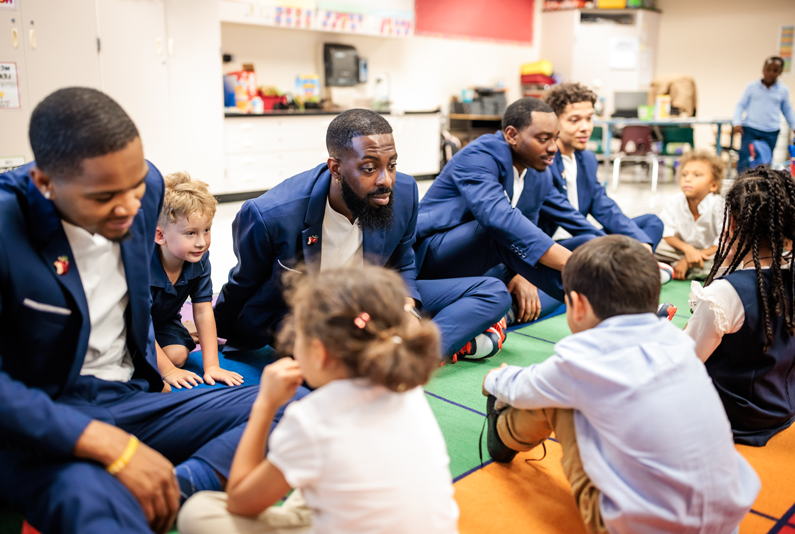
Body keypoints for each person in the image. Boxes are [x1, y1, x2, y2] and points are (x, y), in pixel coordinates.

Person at [0, 88, 306, 534]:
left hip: (130, 399)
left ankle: (177, 486)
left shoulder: (150, 190)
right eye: (104, 198)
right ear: (46, 185)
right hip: (43, 421)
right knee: (89, 505)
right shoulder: (2, 226)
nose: (128, 210)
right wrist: (107, 446)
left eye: (135, 189)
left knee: (299, 406)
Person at [481, 235, 760, 534]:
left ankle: (503, 436)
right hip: (727, 524)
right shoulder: (678, 343)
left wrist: (495, 379)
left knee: (556, 399)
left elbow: (527, 385)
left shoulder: (583, 360)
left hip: (639, 528)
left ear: (577, 305)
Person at [214, 109, 511, 364]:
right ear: (336, 169)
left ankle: (420, 354)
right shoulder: (271, 215)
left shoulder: (404, 193)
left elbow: (403, 263)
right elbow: (244, 283)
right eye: (369, 168)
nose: (386, 180)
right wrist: (212, 326)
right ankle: (421, 347)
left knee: (494, 292)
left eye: (391, 165)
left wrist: (407, 306)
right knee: (333, 357)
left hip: (368, 297)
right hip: (304, 314)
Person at [178, 266, 459, 534]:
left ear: (319, 352)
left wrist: (264, 405)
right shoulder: (406, 389)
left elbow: (240, 502)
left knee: (198, 512)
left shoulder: (312, 417)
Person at [415, 97, 603, 326]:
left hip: (483, 264)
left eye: (555, 139)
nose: (553, 148)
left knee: (583, 245)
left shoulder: (540, 173)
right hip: (433, 259)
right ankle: (603, 308)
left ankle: (505, 315)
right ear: (512, 135)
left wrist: (524, 276)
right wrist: (574, 265)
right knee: (499, 234)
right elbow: (499, 220)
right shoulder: (478, 155)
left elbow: (528, 228)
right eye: (543, 139)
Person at [686, 167, 795, 446]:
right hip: (782, 406)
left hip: (730, 415)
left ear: (732, 223)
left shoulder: (727, 292)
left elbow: (685, 361)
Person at [540, 83, 664, 251]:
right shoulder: (542, 160)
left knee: (652, 223)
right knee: (590, 241)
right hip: (555, 245)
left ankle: (633, 263)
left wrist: (642, 244)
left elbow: (604, 207)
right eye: (574, 120)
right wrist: (610, 243)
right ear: (553, 122)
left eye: (589, 118)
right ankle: (631, 266)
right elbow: (567, 216)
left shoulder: (587, 159)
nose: (585, 127)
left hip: (585, 238)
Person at [151, 171, 243, 389]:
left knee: (178, 355)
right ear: (160, 235)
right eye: (191, 233)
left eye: (207, 230)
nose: (202, 242)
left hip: (162, 321)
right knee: (155, 364)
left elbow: (203, 309)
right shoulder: (142, 266)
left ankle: (182, 332)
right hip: (129, 326)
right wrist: (169, 372)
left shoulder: (198, 258)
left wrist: (212, 366)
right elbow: (138, 322)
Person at [655, 150, 725, 280]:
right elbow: (666, 232)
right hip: (679, 251)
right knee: (652, 243)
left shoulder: (719, 205)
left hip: (710, 254)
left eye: (697, 175)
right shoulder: (675, 201)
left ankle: (676, 268)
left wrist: (689, 260)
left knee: (726, 259)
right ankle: (688, 269)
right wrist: (688, 250)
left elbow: (723, 243)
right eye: (684, 174)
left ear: (713, 185)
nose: (687, 179)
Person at [733, 56, 795, 173]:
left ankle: (763, 185)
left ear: (780, 72)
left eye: (775, 70)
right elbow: (741, 105)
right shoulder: (751, 86)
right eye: (768, 69)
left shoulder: (783, 90)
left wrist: (794, 126)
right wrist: (737, 122)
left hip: (771, 131)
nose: (771, 73)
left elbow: (787, 110)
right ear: (763, 69)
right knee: (744, 158)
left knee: (766, 161)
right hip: (750, 128)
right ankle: (740, 184)